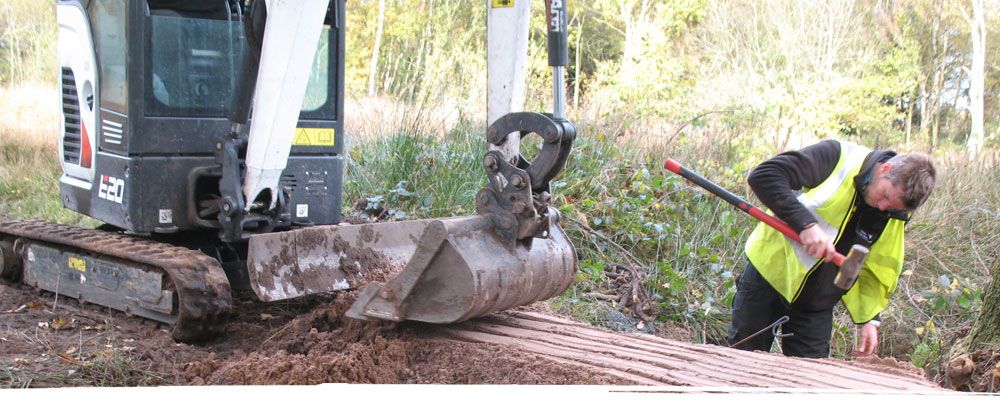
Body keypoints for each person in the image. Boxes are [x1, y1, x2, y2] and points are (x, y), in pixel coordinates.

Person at [726, 139, 936, 358]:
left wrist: (870, 319)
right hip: (767, 277)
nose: (883, 207)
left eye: (892, 206)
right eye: (885, 195)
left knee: (810, 385)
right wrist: (805, 224)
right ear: (885, 168)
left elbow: (876, 269)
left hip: (816, 304)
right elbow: (765, 175)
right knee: (741, 360)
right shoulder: (837, 157)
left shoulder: (894, 214)